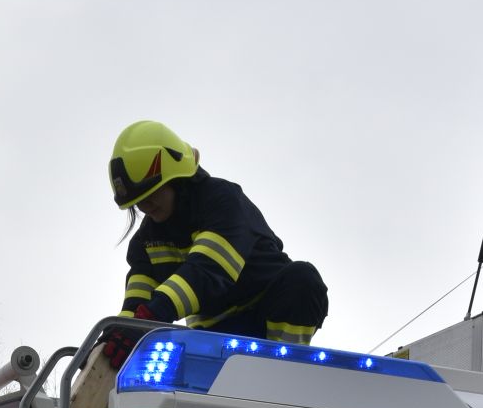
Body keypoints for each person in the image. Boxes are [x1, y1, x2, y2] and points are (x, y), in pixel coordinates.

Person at [104, 119, 328, 363]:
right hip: (216, 337)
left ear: (176, 178)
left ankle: (283, 368)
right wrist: (117, 333)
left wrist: (155, 312)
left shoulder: (222, 203)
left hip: (268, 311)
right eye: (137, 201)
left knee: (302, 278)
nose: (145, 206)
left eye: (151, 193)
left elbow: (208, 270)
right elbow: (137, 305)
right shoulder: (144, 243)